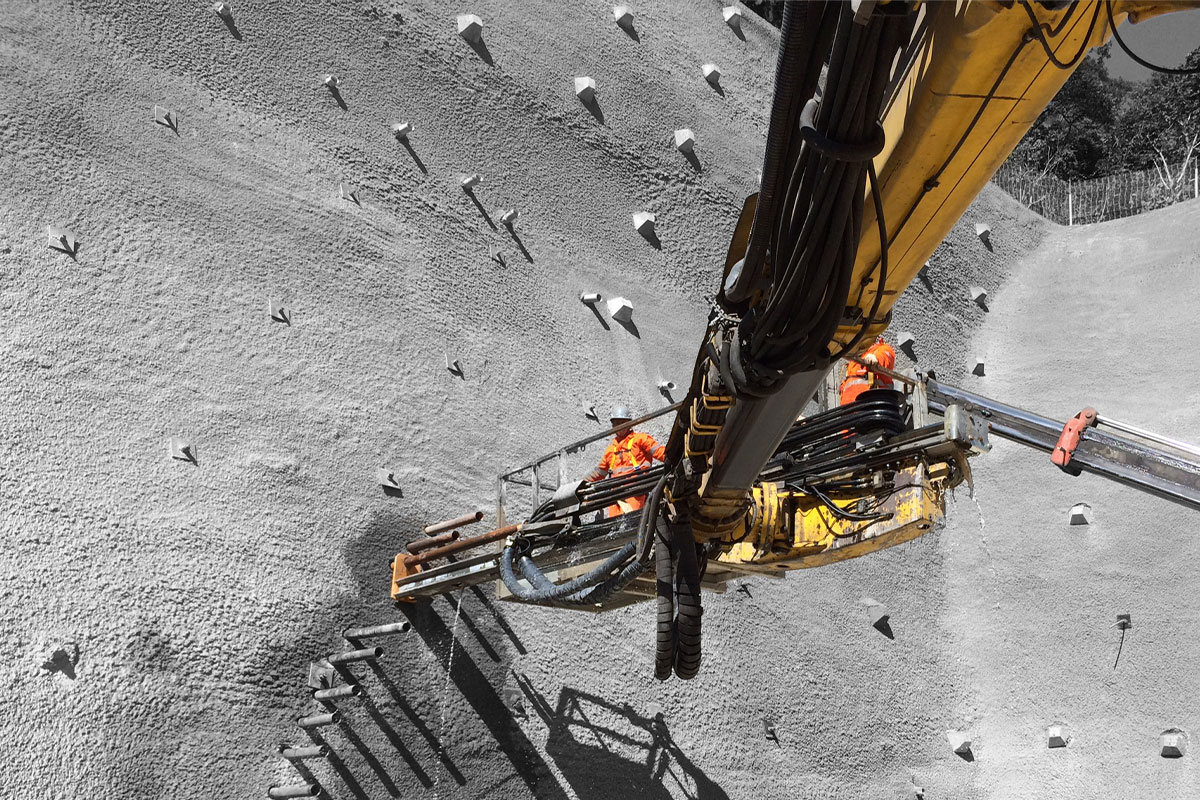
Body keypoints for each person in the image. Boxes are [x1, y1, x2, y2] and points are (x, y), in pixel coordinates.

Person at [585, 406, 666, 517]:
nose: (620, 426)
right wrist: (581, 484)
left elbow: (662, 453)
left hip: (635, 492)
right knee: (615, 527)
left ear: (629, 423)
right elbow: (598, 473)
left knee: (631, 523)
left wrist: (678, 456)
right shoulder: (611, 450)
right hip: (615, 497)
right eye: (616, 423)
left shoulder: (640, 439)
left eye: (622, 422)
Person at [839, 334, 896, 406]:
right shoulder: (854, 360)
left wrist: (875, 359)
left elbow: (884, 356)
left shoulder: (883, 349)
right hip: (849, 412)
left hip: (871, 409)